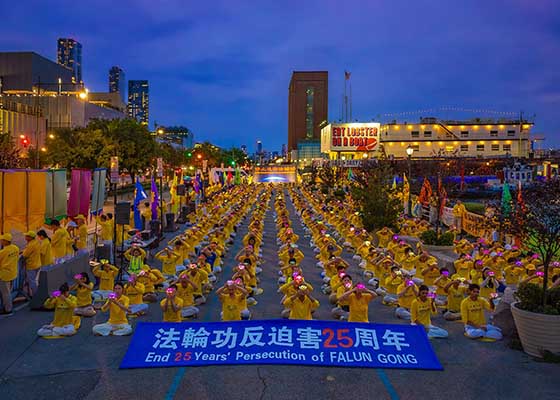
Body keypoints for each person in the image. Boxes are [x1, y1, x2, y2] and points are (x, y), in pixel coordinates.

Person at [0, 233, 19, 315]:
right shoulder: (15, 248)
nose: (1, 241)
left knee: (5, 293)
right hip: (13, 272)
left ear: (5, 241)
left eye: (2, 240)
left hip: (4, 274)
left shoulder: (3, 252)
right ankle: (8, 306)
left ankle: (8, 309)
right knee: (8, 291)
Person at [22, 231, 42, 296]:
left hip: (31, 266)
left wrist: (24, 251)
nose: (25, 237)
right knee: (33, 280)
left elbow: (25, 255)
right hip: (37, 264)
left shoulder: (31, 245)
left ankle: (36, 296)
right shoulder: (36, 242)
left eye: (26, 236)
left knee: (32, 282)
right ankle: (31, 293)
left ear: (30, 237)